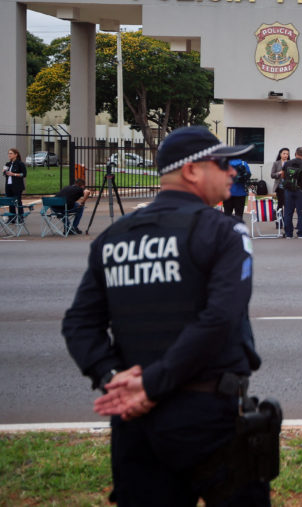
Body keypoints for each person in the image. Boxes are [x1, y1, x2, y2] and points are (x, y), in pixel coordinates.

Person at [61, 125, 273, 506]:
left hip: (135, 423)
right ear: (191, 170)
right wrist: (152, 385)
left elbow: (79, 324)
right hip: (207, 418)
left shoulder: (114, 238)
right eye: (224, 163)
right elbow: (219, 319)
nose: (233, 171)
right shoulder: (224, 231)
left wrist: (113, 377)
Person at [281, 147, 302, 239]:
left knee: (288, 212)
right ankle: (300, 233)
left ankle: (289, 234)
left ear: (295, 154)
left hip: (288, 191)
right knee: (301, 212)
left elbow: (282, 175)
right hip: (301, 191)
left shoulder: (287, 163)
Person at [3, 148, 27, 222]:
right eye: (8, 153)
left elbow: (24, 174)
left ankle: (20, 217)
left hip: (17, 186)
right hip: (9, 185)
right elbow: (4, 174)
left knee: (18, 201)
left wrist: (13, 174)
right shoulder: (8, 164)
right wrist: (4, 172)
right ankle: (12, 218)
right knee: (10, 202)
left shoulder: (20, 164)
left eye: (11, 153)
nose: (9, 155)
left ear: (15, 154)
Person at [269, 147, 290, 212]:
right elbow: (272, 175)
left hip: (288, 186)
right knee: (280, 204)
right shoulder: (276, 163)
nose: (286, 155)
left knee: (287, 204)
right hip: (279, 187)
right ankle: (280, 220)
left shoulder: (290, 163)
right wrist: (279, 173)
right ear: (280, 154)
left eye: (287, 154)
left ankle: (286, 220)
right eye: (284, 153)